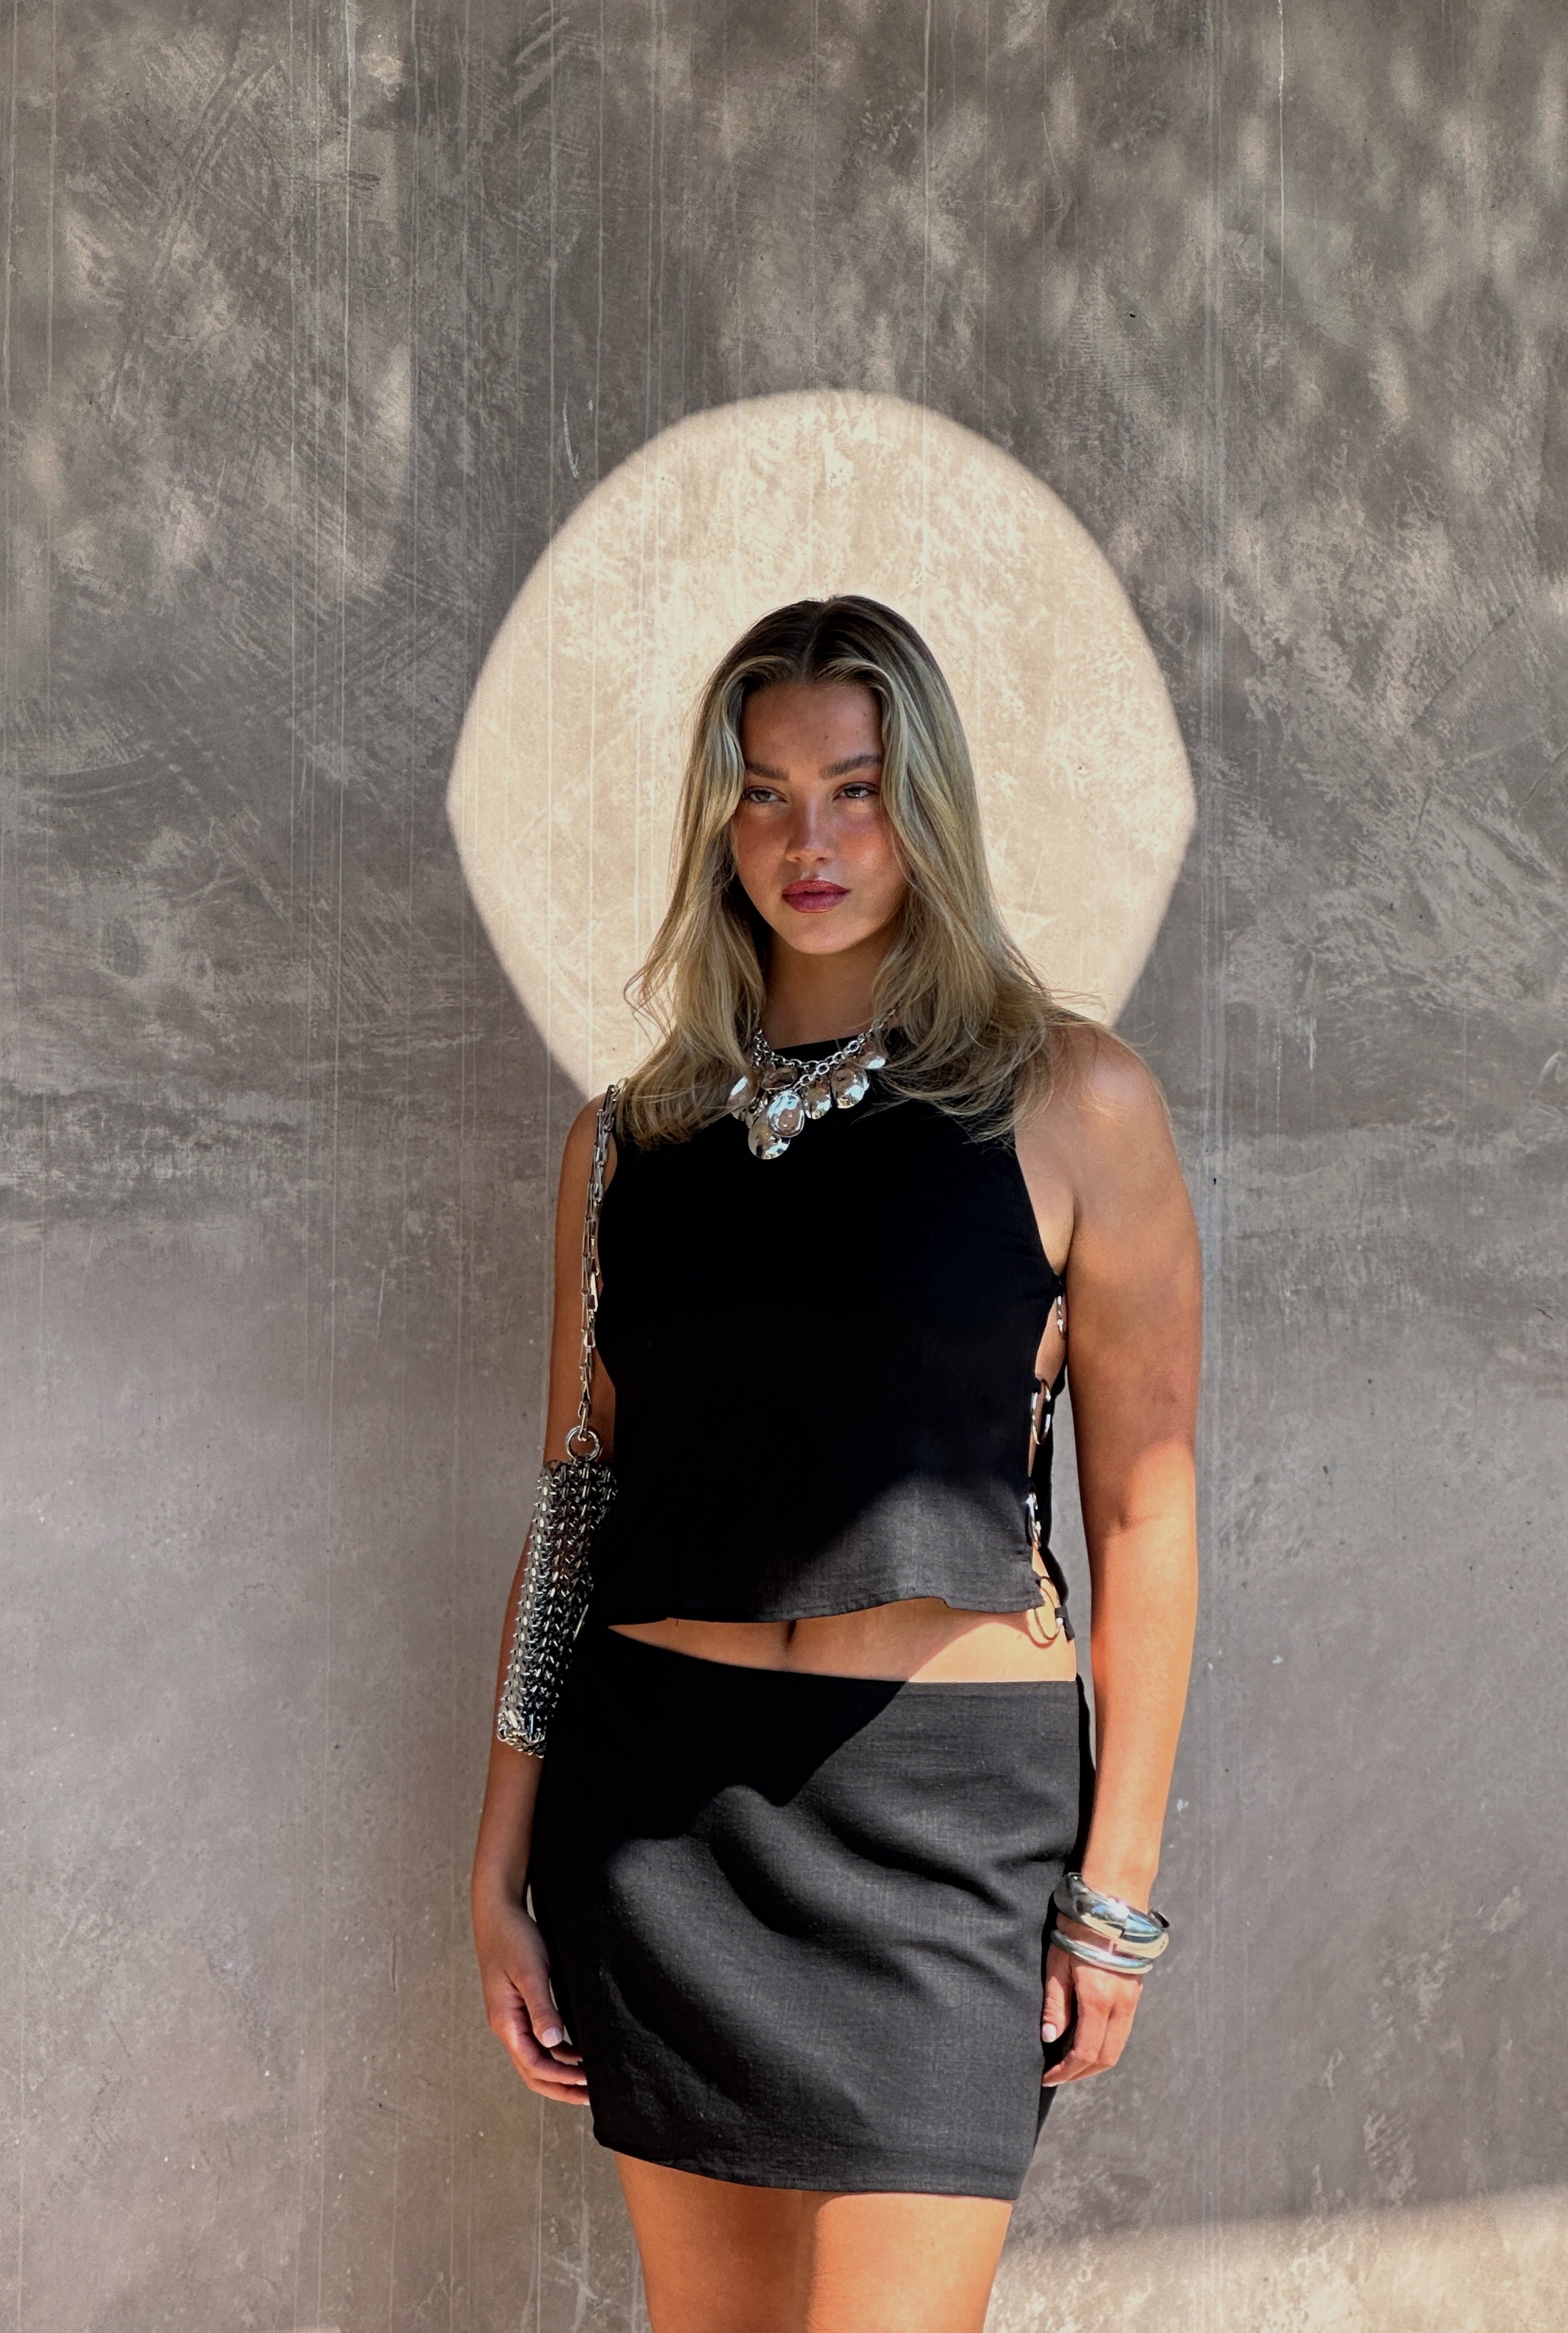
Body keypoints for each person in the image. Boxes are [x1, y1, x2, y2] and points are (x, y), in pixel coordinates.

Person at [470, 595, 1201, 2333]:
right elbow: (575, 1513)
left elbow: (1146, 1509)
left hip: (950, 1832)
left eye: (856, 789)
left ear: (924, 805)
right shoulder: (625, 1144)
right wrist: (497, 1861)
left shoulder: (1073, 1099)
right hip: (663, 1826)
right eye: (765, 791)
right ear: (716, 819)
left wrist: (1116, 1894)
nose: (810, 840)